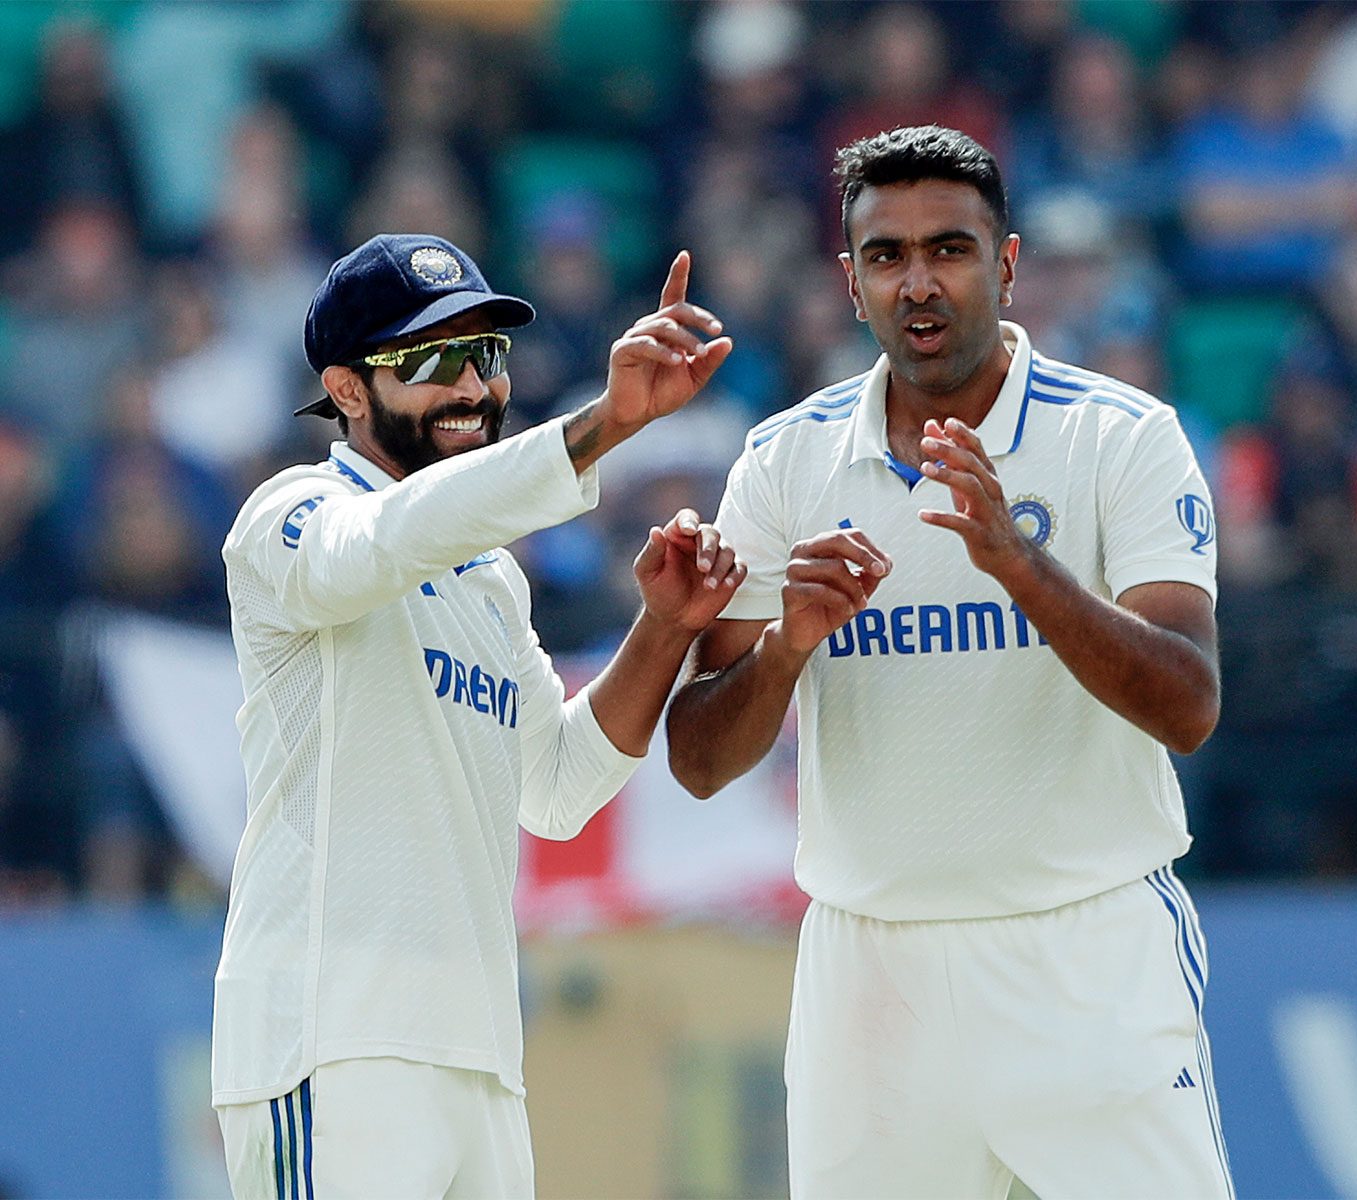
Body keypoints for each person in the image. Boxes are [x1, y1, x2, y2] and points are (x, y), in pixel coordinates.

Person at [668, 127, 1234, 1199]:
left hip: (1088, 954)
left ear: (1007, 263)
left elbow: (1189, 704)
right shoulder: (787, 459)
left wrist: (1023, 569)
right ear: (849, 280)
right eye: (886, 256)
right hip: (870, 975)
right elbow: (698, 757)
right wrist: (788, 646)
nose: (918, 283)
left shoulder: (1122, 437)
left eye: (950, 249)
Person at [212, 233, 741, 1198]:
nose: (472, 388)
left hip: (482, 1057)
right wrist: (604, 426)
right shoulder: (292, 514)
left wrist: (665, 631)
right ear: (346, 390)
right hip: (333, 1045)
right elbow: (380, 546)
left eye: (486, 355)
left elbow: (556, 787)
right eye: (431, 360)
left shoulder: (491, 580)